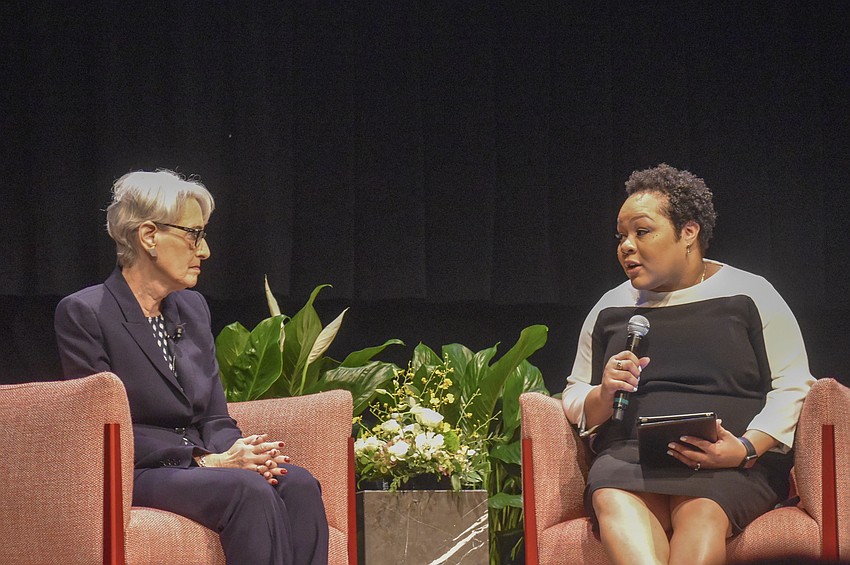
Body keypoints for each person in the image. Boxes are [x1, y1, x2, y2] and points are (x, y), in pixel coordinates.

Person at [55, 170, 329, 564]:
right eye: (194, 235)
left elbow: (215, 416)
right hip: (138, 471)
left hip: (201, 462)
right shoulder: (86, 313)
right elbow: (103, 431)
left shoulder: (192, 309)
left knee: (296, 483)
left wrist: (242, 454)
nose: (205, 252)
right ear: (149, 236)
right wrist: (207, 461)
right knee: (245, 490)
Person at [561, 163, 815, 565]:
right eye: (621, 236)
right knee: (612, 498)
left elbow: (795, 386)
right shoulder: (610, 307)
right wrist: (604, 393)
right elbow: (575, 394)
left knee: (701, 513)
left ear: (689, 232)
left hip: (728, 463)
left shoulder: (749, 294)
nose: (626, 246)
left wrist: (746, 448)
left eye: (641, 232)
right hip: (629, 458)